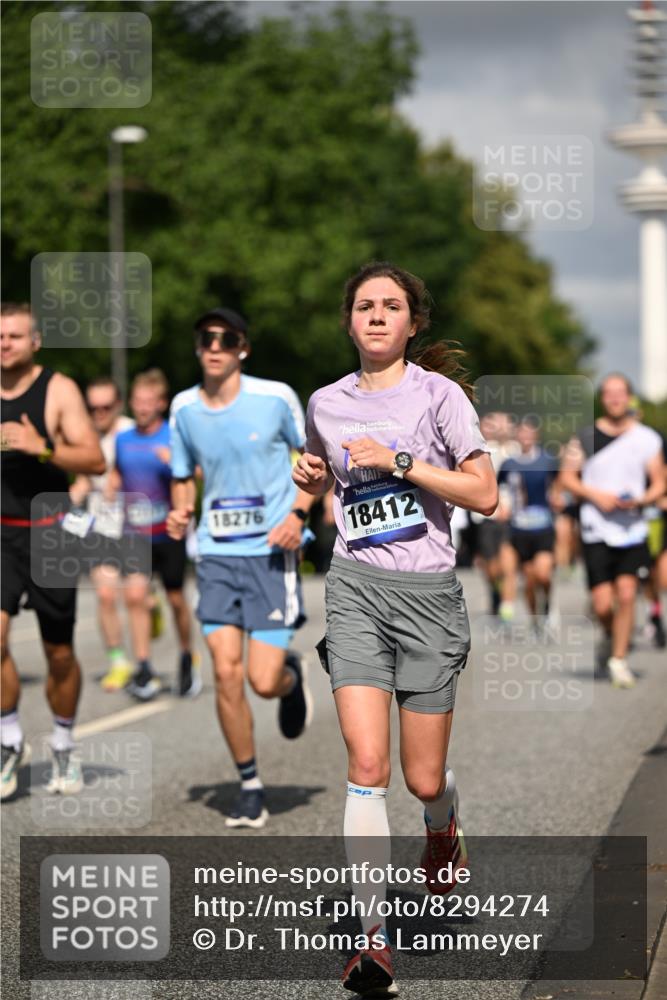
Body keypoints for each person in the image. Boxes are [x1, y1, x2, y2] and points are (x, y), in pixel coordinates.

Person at [293, 262, 497, 997]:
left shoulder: (439, 397)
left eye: (391, 306)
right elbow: (329, 482)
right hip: (354, 588)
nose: (376, 316)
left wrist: (402, 461)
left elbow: (485, 494)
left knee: (422, 778)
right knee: (367, 765)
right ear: (348, 321)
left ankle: (443, 826)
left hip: (427, 597)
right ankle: (371, 942)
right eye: (364, 306)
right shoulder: (325, 403)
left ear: (413, 323)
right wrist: (312, 481)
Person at [167, 307, 316, 829]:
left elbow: (314, 464)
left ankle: (289, 679)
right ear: (197, 347)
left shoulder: (275, 398)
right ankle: (250, 785)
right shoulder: (183, 407)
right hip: (216, 554)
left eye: (226, 339)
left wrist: (298, 516)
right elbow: (182, 475)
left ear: (243, 349)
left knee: (261, 680)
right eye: (206, 338)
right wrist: (181, 509)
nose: (215, 347)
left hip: (270, 554)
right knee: (225, 672)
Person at [1, 302, 105, 799]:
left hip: (51, 530)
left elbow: (95, 459)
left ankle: (63, 743)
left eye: (14, 336)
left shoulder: (58, 389)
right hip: (1, 533)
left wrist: (40, 447)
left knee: (58, 653)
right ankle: (9, 739)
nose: (4, 344)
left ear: (35, 342)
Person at [560, 374, 665, 687]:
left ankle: (619, 660)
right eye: (609, 393)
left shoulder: (648, 438)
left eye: (620, 393)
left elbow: (659, 481)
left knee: (628, 593)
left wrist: (642, 500)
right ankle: (610, 634)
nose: (615, 398)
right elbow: (567, 477)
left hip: (633, 529)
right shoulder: (585, 437)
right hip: (596, 529)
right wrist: (596, 496)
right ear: (602, 399)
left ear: (629, 397)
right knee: (603, 604)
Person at [111, 369, 198, 700]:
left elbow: (197, 473)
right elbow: (117, 476)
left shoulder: (173, 437)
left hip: (169, 532)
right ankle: (144, 667)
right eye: (138, 401)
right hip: (135, 533)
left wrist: (175, 461)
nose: (143, 407)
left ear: (161, 403)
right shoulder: (123, 439)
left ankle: (187, 655)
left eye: (149, 401)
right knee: (134, 596)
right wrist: (107, 495)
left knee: (175, 599)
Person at [70, 376, 135, 690]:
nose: (99, 413)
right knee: (106, 595)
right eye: (92, 407)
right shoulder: (84, 436)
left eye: (106, 407)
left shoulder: (131, 432)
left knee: (137, 598)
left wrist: (123, 480)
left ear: (118, 405)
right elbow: (83, 480)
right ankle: (118, 661)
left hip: (135, 526)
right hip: (100, 527)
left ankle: (152, 608)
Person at [497, 417, 559, 624]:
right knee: (529, 580)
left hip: (543, 527)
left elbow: (559, 485)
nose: (525, 437)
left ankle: (548, 603)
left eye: (529, 433)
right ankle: (535, 618)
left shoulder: (548, 461)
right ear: (517, 436)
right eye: (522, 433)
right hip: (519, 528)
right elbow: (500, 488)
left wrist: (558, 498)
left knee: (543, 574)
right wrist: (503, 507)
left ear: (536, 435)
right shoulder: (509, 464)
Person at [470, 411, 518, 615]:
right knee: (490, 566)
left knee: (507, 561)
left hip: (509, 516)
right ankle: (495, 590)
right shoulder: (476, 451)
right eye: (490, 424)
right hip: (484, 516)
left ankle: (507, 604)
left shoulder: (514, 450)